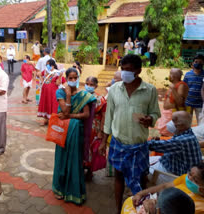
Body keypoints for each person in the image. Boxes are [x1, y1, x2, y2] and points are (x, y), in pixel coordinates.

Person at [99, 54, 161, 214]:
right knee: (118, 177)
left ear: (138, 71)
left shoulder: (150, 90)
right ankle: (118, 209)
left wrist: (150, 119)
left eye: (129, 70)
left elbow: (155, 113)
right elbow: (109, 116)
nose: (125, 73)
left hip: (139, 144)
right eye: (123, 69)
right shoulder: (114, 89)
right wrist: (103, 141)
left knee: (141, 178)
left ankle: (141, 209)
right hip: (118, 142)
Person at [52, 68, 96, 205]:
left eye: (75, 77)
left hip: (76, 131)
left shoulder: (84, 95)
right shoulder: (60, 92)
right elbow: (64, 110)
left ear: (78, 78)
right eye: (70, 78)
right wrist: (68, 95)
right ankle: (59, 188)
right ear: (66, 78)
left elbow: (86, 115)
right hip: (63, 130)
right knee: (61, 158)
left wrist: (69, 116)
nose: (72, 80)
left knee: (74, 160)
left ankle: (73, 191)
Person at [122, 162, 204, 214]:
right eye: (189, 173)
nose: (189, 178)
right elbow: (164, 186)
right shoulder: (185, 179)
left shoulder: (200, 208)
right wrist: (140, 193)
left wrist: (153, 209)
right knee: (130, 200)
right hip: (157, 204)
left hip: (159, 207)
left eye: (195, 180)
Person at [148, 111, 202, 180]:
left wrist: (139, 142)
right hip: (171, 163)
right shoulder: (187, 132)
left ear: (181, 125)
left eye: (173, 121)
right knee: (149, 160)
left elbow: (153, 145)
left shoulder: (183, 140)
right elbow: (169, 144)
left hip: (175, 175)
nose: (171, 123)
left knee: (142, 172)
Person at [83, 77, 107, 180]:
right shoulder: (81, 96)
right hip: (82, 126)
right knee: (82, 147)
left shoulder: (100, 100)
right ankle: (81, 169)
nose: (88, 86)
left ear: (96, 86)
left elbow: (104, 117)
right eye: (87, 83)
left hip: (94, 129)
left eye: (91, 84)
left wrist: (101, 132)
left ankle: (89, 171)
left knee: (92, 149)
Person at [157, 68, 189, 136]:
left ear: (173, 76)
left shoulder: (181, 85)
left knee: (169, 133)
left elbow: (180, 102)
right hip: (167, 113)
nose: (169, 76)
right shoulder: (174, 85)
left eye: (170, 74)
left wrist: (173, 89)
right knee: (164, 133)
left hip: (173, 113)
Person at [37, 59, 65, 125]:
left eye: (48, 64)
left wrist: (60, 76)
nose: (47, 66)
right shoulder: (46, 71)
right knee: (45, 104)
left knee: (52, 105)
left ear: (52, 65)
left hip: (52, 92)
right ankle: (45, 120)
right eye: (46, 65)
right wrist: (40, 75)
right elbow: (42, 79)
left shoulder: (57, 73)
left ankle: (52, 120)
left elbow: (59, 83)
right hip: (45, 92)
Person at [184, 54, 204, 124]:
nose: (198, 64)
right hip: (188, 102)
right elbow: (184, 87)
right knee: (187, 122)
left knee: (201, 122)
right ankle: (187, 135)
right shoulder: (187, 75)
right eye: (196, 62)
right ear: (192, 63)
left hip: (200, 103)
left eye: (200, 62)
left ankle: (200, 135)